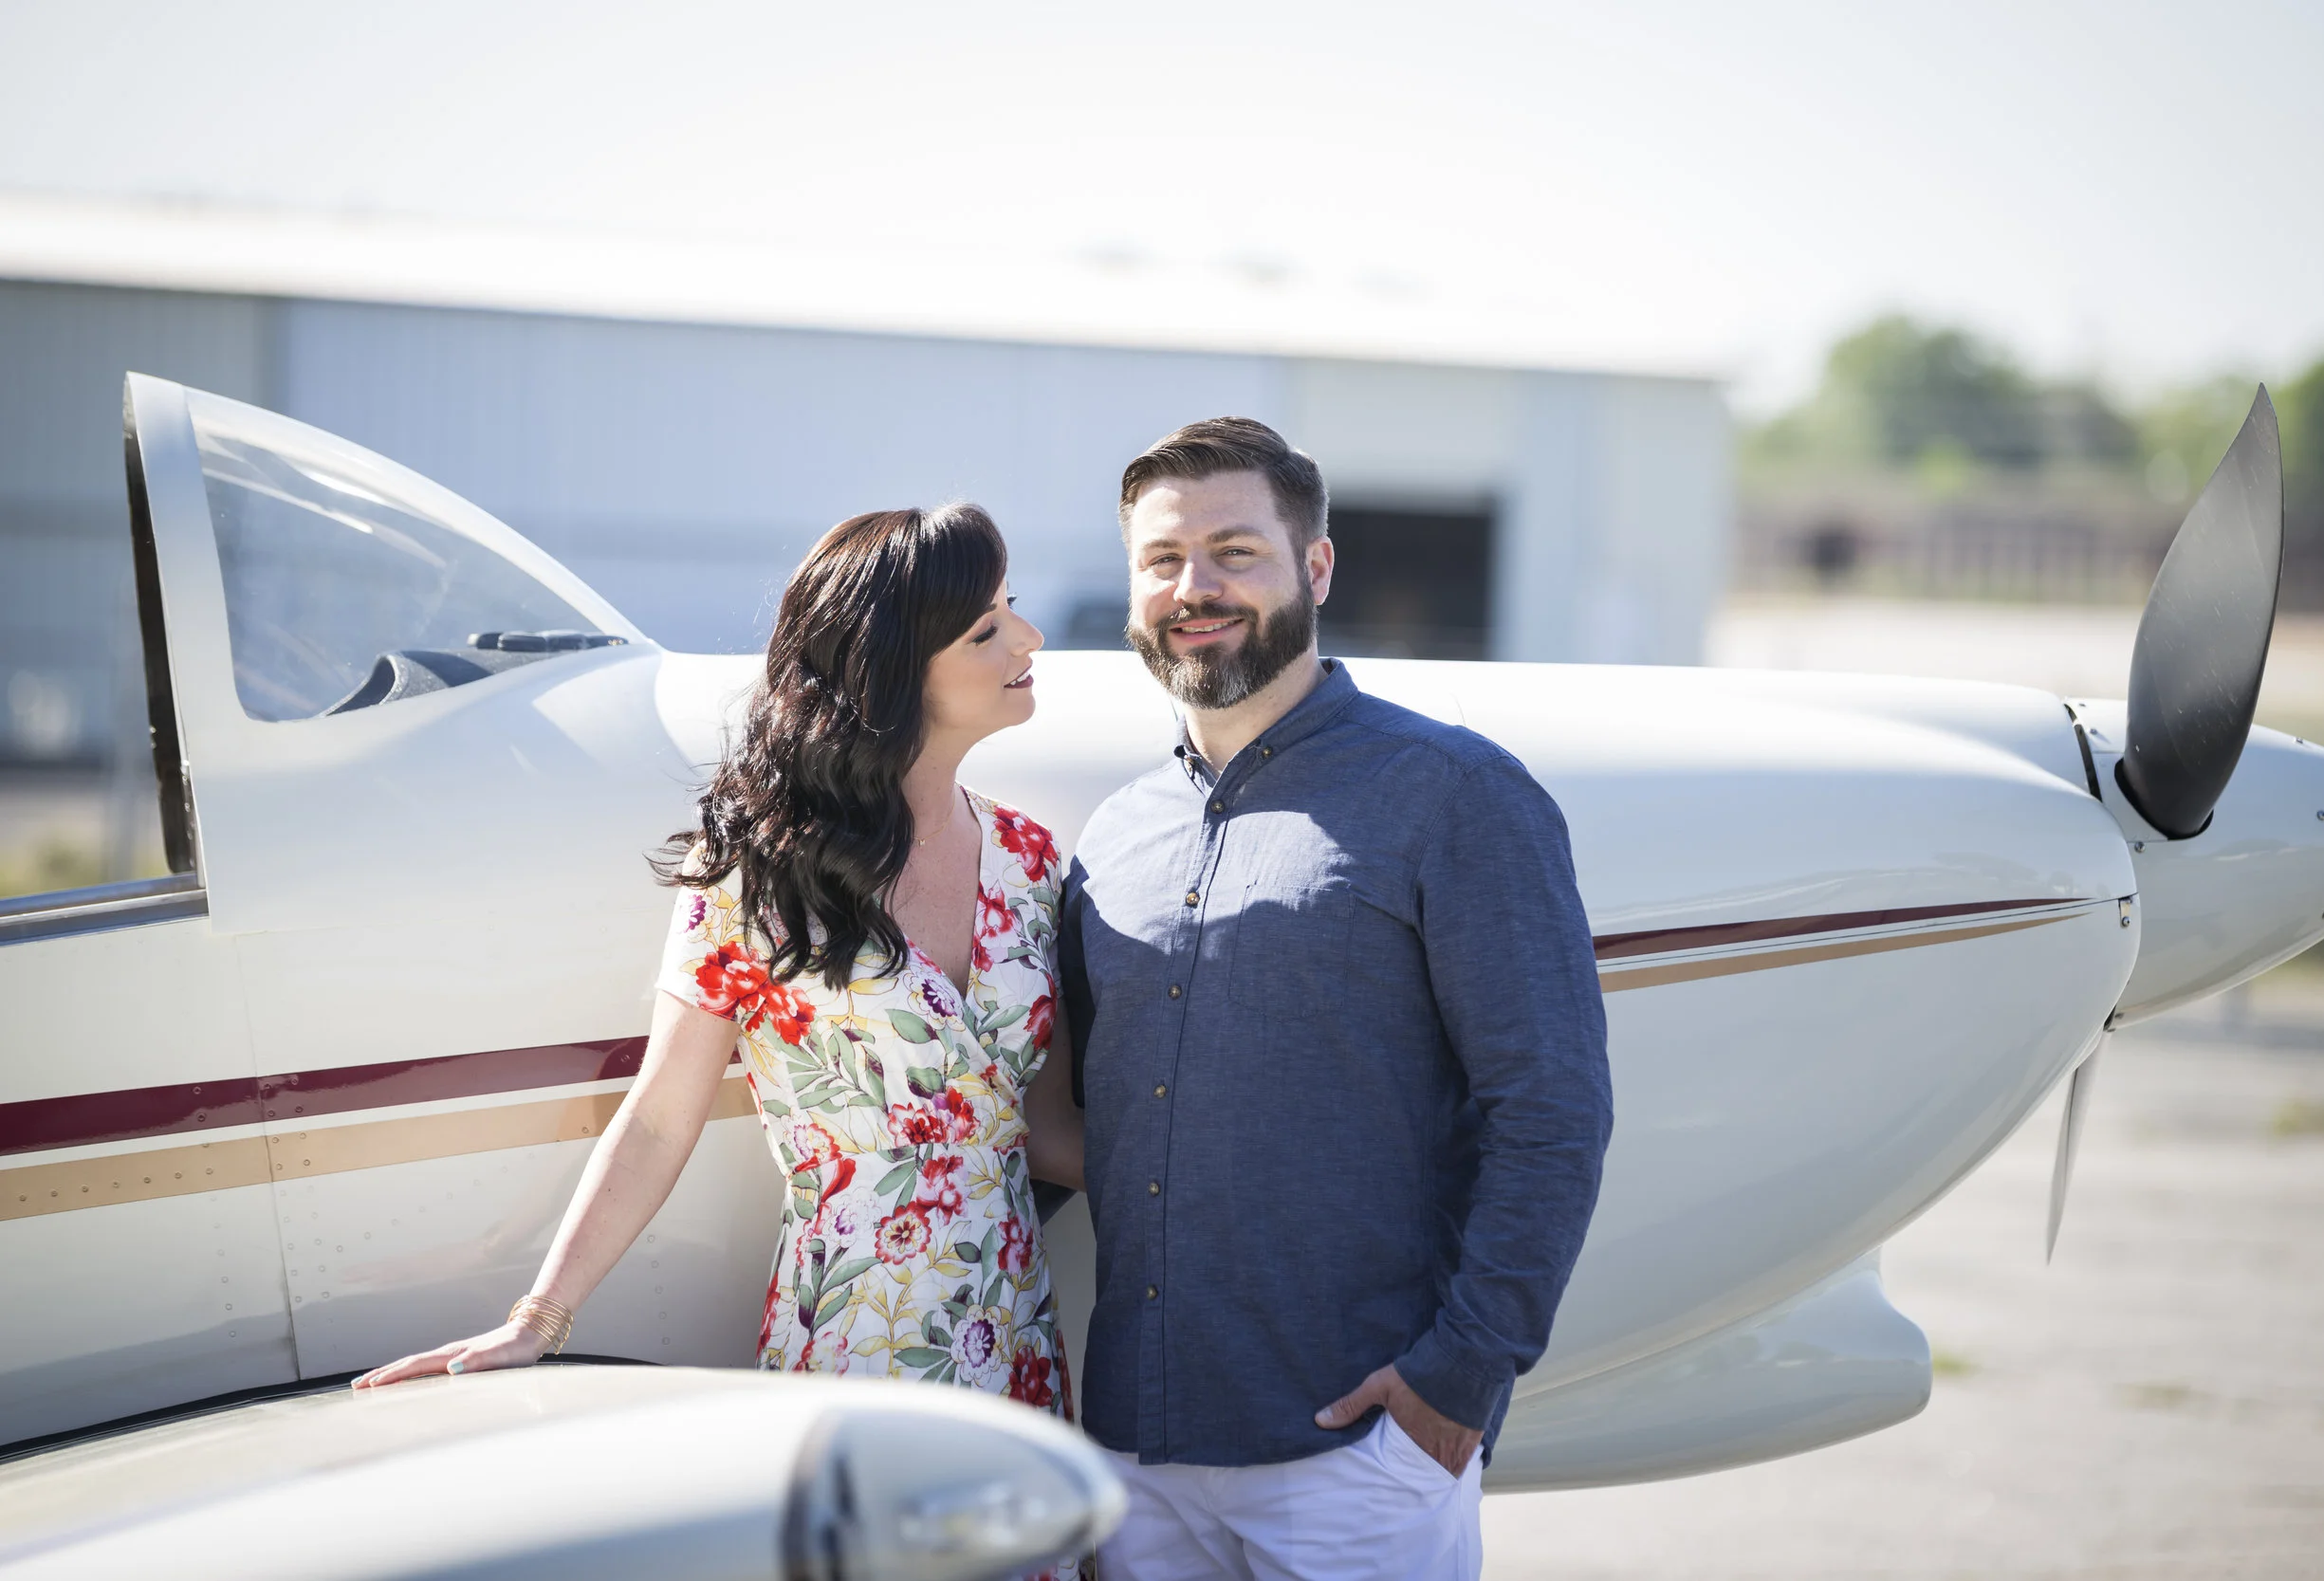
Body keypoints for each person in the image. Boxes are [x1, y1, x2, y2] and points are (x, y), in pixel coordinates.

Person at [356, 504, 1089, 1436]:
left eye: (1010, 606)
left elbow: (1047, 1126)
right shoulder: (761, 875)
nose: (1027, 636)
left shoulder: (1031, 859)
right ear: (895, 674)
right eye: (985, 628)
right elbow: (661, 1115)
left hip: (1009, 1339)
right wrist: (537, 1318)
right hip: (848, 1340)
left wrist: (1256, 1215)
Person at [1057, 419, 1613, 1580]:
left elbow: (1550, 1108)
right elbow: (1086, 1130)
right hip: (1131, 1452)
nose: (1193, 588)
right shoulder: (1113, 837)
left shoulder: (1456, 795)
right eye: (1161, 560)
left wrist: (1456, 1381)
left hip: (1356, 1453)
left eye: (1233, 552)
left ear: (1313, 568)